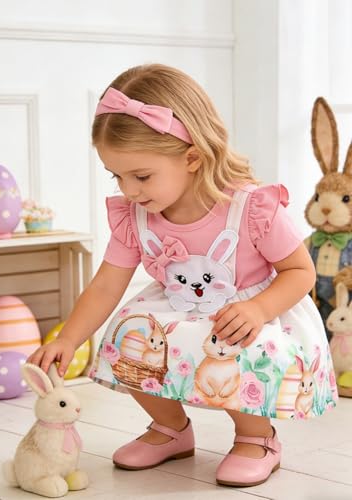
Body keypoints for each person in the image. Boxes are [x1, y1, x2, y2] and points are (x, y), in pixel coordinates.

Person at [28, 64, 338, 488]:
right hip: (179, 306)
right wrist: (68, 338)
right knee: (128, 334)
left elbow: (300, 271)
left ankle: (256, 437)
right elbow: (105, 284)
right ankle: (170, 428)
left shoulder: (251, 207)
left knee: (238, 344)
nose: (128, 190)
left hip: (249, 309)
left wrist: (258, 309)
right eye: (117, 176)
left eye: (141, 176)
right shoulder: (135, 216)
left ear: (192, 157)